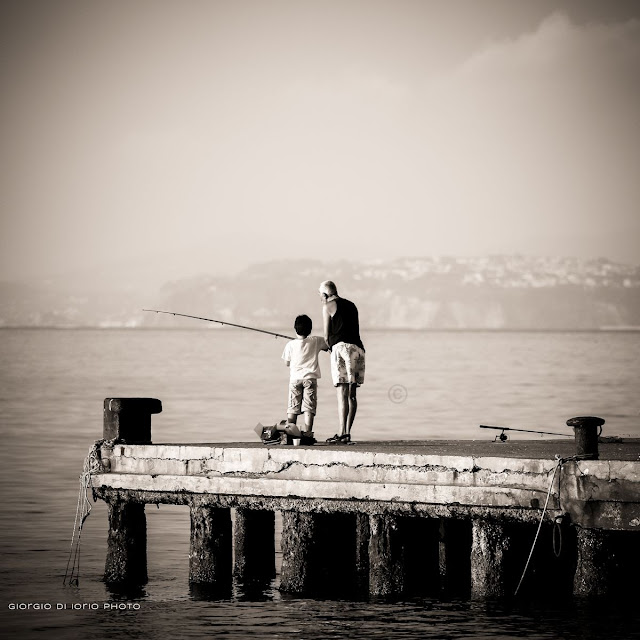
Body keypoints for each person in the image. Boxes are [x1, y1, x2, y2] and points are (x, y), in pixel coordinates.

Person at [319, 280, 365, 444]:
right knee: (352, 395)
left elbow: (326, 336)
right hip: (358, 350)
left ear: (325, 294)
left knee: (341, 393)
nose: (321, 300)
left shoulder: (328, 306)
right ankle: (347, 433)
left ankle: (340, 433)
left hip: (341, 349)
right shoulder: (352, 305)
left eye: (321, 296)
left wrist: (326, 347)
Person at [281, 314, 329, 443]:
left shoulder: (290, 344)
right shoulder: (315, 341)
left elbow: (287, 363)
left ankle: (290, 433)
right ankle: (308, 433)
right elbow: (327, 345)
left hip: (295, 379)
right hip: (310, 379)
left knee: (293, 407)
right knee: (309, 407)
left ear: (295, 328)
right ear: (310, 329)